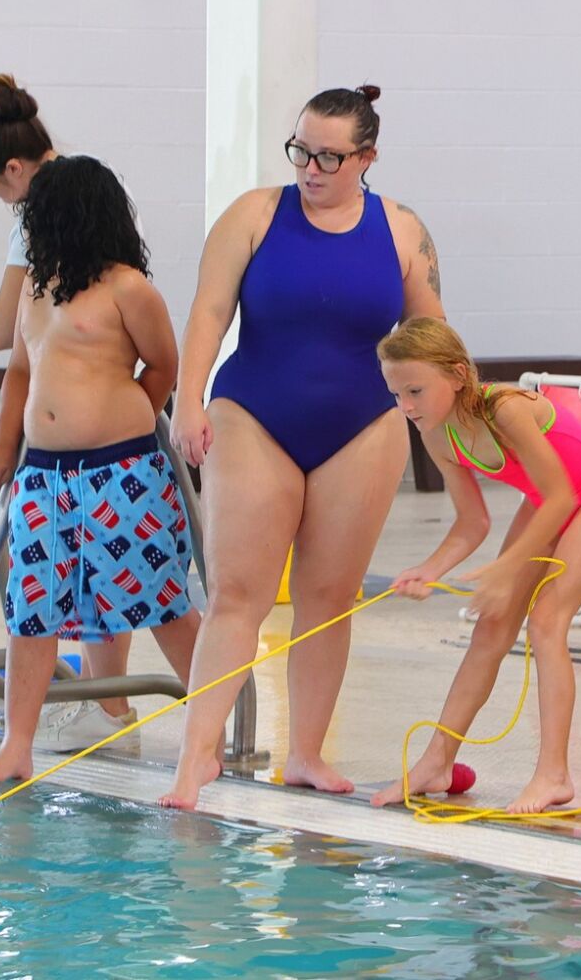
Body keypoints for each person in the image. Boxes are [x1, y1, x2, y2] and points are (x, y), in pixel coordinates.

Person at [160, 85, 445, 810]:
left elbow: (432, 339)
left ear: (367, 157)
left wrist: (453, 421)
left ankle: (307, 752)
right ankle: (197, 757)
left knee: (328, 597)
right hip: (254, 410)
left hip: (362, 423)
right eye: (300, 151)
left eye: (328, 156)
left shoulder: (404, 230)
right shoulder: (254, 215)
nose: (310, 169)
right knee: (237, 593)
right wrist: (187, 399)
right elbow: (207, 311)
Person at [0, 156, 203, 782]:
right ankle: (16, 743)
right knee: (33, 608)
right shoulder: (35, 287)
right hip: (43, 473)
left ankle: (213, 727)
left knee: (164, 601)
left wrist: (122, 418)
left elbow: (162, 366)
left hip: (120, 471)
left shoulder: (129, 288)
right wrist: (2, 448)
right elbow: (21, 371)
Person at [0, 73, 146, 753]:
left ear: (11, 169)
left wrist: (135, 410)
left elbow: (1, 333)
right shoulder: (68, 211)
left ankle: (115, 706)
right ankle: (104, 707)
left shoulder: (49, 217)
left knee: (120, 579)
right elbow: (22, 359)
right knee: (61, 588)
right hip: (52, 452)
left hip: (107, 450)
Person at [369, 318, 581, 814]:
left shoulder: (505, 408)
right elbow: (473, 523)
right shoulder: (439, 437)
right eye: (396, 393)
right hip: (549, 498)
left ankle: (555, 773)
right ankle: (438, 761)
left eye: (416, 391)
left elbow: (562, 496)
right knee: (491, 626)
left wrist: (507, 569)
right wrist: (429, 568)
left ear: (459, 376)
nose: (405, 406)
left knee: (547, 622)